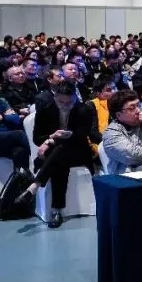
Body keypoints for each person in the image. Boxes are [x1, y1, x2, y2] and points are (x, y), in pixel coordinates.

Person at [15, 80, 97, 228]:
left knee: (60, 150)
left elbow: (81, 135)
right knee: (60, 162)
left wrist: (52, 140)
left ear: (75, 97)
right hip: (55, 155)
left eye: (69, 102)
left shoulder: (84, 110)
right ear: (55, 97)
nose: (65, 106)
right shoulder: (45, 110)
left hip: (78, 152)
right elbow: (37, 138)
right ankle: (56, 210)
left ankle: (35, 187)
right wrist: (51, 137)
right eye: (61, 102)